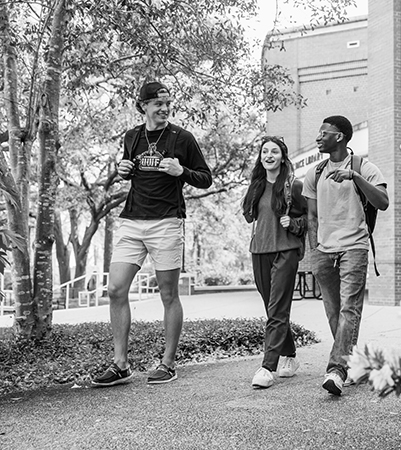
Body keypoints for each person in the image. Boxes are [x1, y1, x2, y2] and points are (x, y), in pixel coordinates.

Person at [91, 81, 212, 387]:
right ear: (143, 105)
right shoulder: (132, 136)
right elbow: (130, 170)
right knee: (116, 289)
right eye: (158, 103)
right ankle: (120, 365)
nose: (164, 108)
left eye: (168, 103)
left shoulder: (182, 138)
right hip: (133, 220)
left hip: (167, 222)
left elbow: (205, 178)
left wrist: (181, 171)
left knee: (168, 294)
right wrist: (124, 169)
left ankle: (168, 363)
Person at [302, 115, 389, 396]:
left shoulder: (365, 167)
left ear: (339, 136)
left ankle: (336, 370)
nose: (318, 136)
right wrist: (314, 249)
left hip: (354, 246)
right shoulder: (314, 173)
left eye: (323, 132)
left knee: (349, 309)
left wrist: (355, 177)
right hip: (324, 250)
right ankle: (349, 364)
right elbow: (312, 215)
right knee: (333, 311)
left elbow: (383, 202)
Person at [242, 136, 307, 389]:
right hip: (259, 250)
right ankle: (289, 354)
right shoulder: (256, 184)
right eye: (264, 151)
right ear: (261, 157)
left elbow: (310, 221)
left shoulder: (294, 186)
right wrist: (250, 197)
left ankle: (267, 367)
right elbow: (249, 216)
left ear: (283, 156)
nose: (269, 155)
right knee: (273, 310)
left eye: (274, 151)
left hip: (286, 251)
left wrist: (293, 222)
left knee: (278, 309)